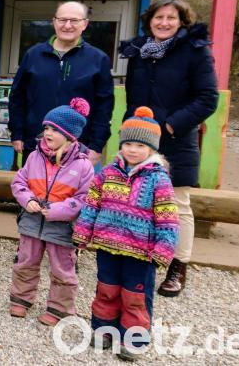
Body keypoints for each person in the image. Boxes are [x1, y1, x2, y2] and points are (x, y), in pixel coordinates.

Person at [120, 0, 219, 298]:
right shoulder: (140, 52)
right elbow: (133, 96)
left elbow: (207, 98)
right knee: (135, 198)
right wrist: (130, 129)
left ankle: (178, 266)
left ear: (182, 22)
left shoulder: (195, 52)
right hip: (139, 139)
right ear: (149, 20)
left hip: (176, 139)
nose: (164, 23)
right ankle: (140, 253)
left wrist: (171, 125)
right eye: (158, 17)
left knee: (177, 204)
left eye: (171, 18)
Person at [73, 107, 179, 361]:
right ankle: (103, 330)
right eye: (128, 143)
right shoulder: (108, 174)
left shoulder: (158, 179)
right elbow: (92, 205)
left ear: (151, 149)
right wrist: (82, 231)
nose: (132, 150)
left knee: (135, 295)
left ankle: (134, 338)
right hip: (107, 245)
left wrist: (165, 248)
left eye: (140, 145)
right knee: (106, 289)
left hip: (141, 251)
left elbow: (168, 217)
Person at [9, 98, 95, 326]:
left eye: (54, 130)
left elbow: (84, 198)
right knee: (25, 261)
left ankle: (59, 308)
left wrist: (58, 210)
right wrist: (27, 200)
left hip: (62, 226)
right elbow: (19, 183)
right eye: (46, 127)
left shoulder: (83, 165)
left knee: (62, 269)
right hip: (31, 220)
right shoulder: (34, 156)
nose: (47, 133)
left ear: (69, 135)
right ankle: (21, 298)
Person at [8, 1, 114, 165]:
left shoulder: (98, 59)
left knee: (73, 191)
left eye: (74, 20)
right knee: (34, 190)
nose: (68, 25)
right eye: (62, 20)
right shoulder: (34, 55)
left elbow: (104, 107)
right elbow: (17, 97)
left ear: (85, 24)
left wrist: (96, 145)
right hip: (37, 143)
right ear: (54, 21)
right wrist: (17, 133)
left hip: (78, 146)